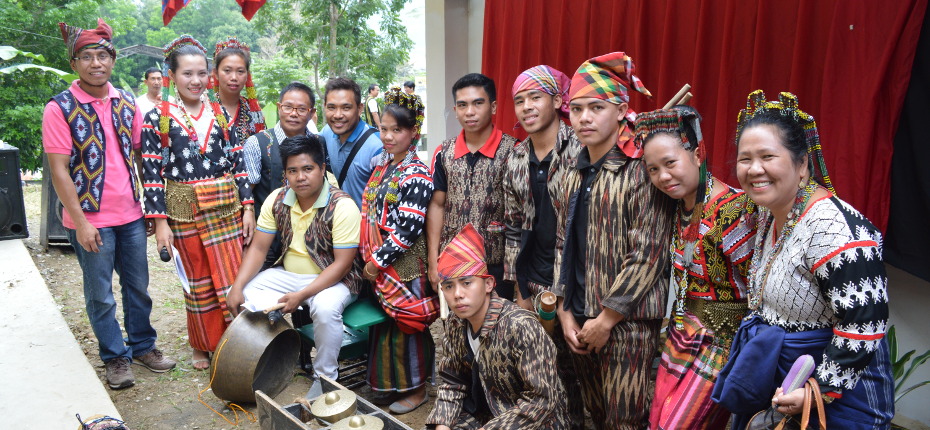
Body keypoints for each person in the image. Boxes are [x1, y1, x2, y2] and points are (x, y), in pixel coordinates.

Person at [712, 90, 894, 429]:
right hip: (780, 377)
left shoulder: (834, 229)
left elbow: (865, 323)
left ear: (802, 164)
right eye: (744, 158)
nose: (754, 169)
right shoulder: (769, 212)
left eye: (767, 156)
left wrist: (819, 390)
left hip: (828, 389)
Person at [43, 18, 176, 390]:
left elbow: (141, 156)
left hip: (130, 215)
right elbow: (58, 170)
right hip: (91, 220)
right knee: (100, 293)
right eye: (87, 57)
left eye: (102, 56)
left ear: (113, 60)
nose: (96, 63)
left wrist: (149, 207)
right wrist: (81, 222)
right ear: (74, 63)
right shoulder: (60, 108)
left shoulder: (126, 101)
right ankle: (115, 356)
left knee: (138, 286)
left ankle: (143, 346)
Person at [552, 52, 675, 430]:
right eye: (576, 109)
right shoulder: (572, 170)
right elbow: (562, 243)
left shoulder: (640, 169)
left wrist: (606, 320)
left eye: (596, 108)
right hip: (578, 313)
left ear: (621, 110)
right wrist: (563, 310)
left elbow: (649, 254)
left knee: (626, 419)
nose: (584, 118)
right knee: (597, 412)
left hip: (626, 322)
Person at [636, 106, 755, 429]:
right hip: (683, 335)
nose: (663, 176)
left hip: (722, 344)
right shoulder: (678, 208)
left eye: (670, 163)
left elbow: (759, 290)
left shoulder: (732, 211)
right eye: (653, 169)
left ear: (698, 154)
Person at [141, 35, 255, 371]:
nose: (196, 81)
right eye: (187, 74)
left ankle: (236, 340)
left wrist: (248, 207)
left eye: (202, 73)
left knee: (231, 275)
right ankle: (202, 343)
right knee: (198, 281)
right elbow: (151, 174)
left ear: (210, 76)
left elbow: (238, 163)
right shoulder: (158, 118)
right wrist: (160, 223)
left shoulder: (219, 113)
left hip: (225, 209)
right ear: (172, 76)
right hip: (184, 211)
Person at [226, 135, 363, 399]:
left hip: (335, 279)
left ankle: (326, 379)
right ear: (286, 174)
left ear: (322, 169)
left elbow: (343, 264)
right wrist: (237, 286)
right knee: (244, 295)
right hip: (289, 275)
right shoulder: (278, 199)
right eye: (293, 171)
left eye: (308, 168)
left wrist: (301, 296)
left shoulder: (342, 205)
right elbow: (258, 249)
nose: (300, 177)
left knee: (325, 309)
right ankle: (272, 358)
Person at [503, 65, 584, 428]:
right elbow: (512, 227)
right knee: (538, 369)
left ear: (556, 100)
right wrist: (519, 288)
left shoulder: (581, 147)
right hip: (533, 278)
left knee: (576, 372)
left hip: (576, 281)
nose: (527, 107)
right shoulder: (517, 157)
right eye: (519, 100)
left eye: (535, 97)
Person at [426, 224, 568, 430]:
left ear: (489, 284)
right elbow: (452, 382)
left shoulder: (521, 327)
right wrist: (443, 425)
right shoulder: (456, 324)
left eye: (466, 283)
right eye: (449, 286)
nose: (457, 294)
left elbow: (541, 401)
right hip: (486, 415)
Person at [359, 87, 438, 414]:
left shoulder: (416, 173)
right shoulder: (385, 165)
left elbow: (407, 230)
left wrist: (375, 263)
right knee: (387, 326)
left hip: (403, 266)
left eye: (397, 130)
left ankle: (416, 390)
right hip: (383, 262)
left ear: (414, 132)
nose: (388, 136)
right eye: (384, 129)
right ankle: (389, 384)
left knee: (408, 326)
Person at [427, 73, 518, 299]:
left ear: (493, 107)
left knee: (497, 320)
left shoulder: (514, 151)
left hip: (497, 267)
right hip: (452, 263)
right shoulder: (444, 153)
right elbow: (437, 205)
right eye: (462, 105)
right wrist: (433, 260)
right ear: (455, 110)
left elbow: (521, 216)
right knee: (455, 321)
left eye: (478, 103)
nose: (469, 112)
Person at [243, 81, 318, 211]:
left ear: (311, 113)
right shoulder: (257, 143)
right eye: (288, 107)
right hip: (268, 221)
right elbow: (247, 189)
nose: (293, 114)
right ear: (279, 107)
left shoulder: (318, 143)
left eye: (301, 109)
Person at [319, 77, 383, 207]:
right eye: (331, 107)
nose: (337, 115)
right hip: (343, 217)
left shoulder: (377, 147)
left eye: (346, 108)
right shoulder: (326, 132)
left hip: (368, 219)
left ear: (359, 109)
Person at [210, 37, 265, 145]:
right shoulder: (204, 108)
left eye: (240, 71)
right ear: (216, 73)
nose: (234, 77)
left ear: (247, 75)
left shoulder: (253, 111)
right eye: (227, 70)